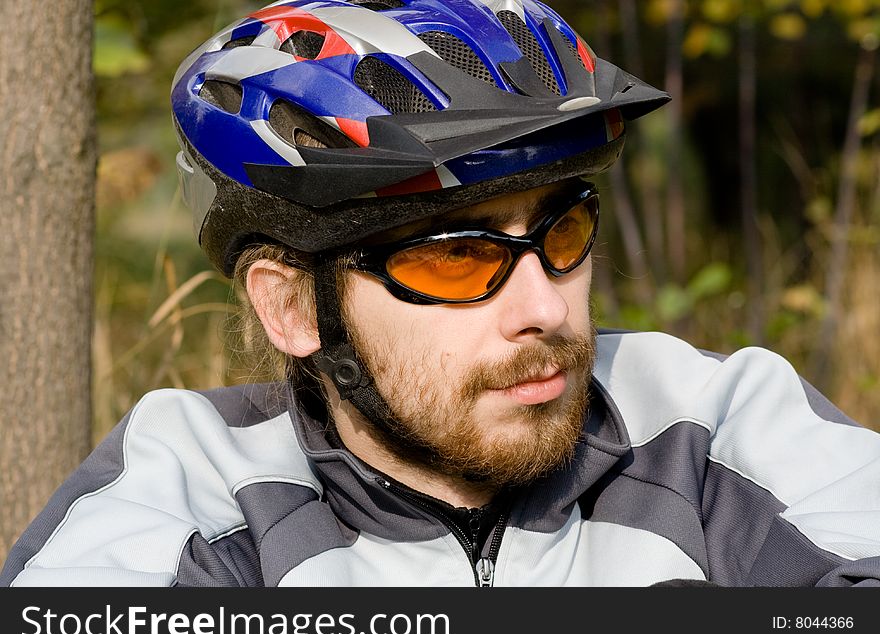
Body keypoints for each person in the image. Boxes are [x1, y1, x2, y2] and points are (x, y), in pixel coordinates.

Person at [3, 0, 879, 588]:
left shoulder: (711, 423)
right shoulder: (193, 485)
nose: (545, 306)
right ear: (293, 307)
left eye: (562, 230)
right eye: (458, 257)